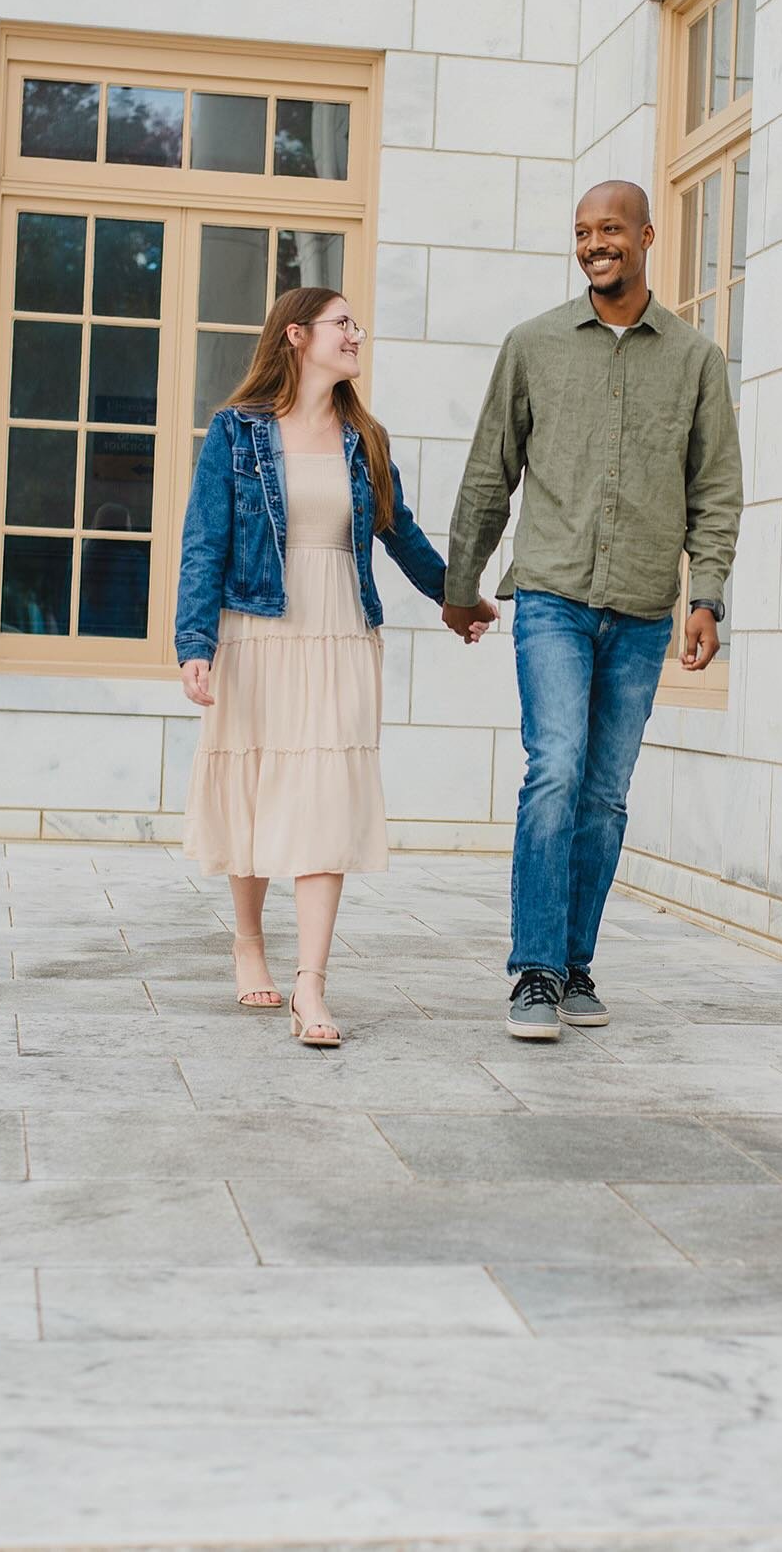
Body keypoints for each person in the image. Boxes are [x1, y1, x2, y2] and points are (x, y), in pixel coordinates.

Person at [443, 181, 743, 1040]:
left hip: (646, 605)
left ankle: (575, 963)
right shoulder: (533, 345)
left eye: (609, 229)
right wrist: (460, 585)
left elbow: (715, 489)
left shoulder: (695, 360)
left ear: (647, 235)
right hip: (551, 599)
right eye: (580, 232)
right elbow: (488, 471)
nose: (593, 244)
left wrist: (707, 594)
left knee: (605, 796)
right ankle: (533, 972)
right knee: (556, 769)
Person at [175, 286, 494, 1045]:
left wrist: (458, 597)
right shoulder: (235, 432)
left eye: (356, 324)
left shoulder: (365, 438)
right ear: (295, 334)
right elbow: (203, 541)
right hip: (256, 626)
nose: (356, 334)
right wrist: (194, 644)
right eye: (341, 322)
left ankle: (310, 985)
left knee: (322, 794)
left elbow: (399, 533)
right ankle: (248, 939)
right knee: (254, 783)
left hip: (341, 629)